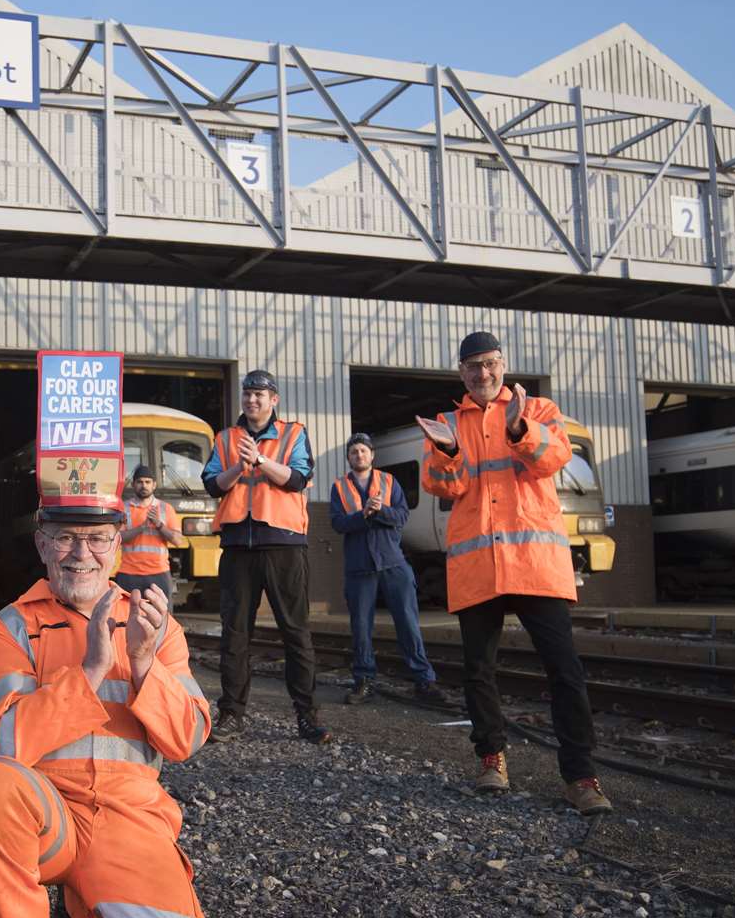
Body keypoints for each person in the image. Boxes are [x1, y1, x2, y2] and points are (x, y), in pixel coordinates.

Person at [0, 503, 212, 918]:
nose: (81, 553)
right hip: (47, 817)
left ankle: (81, 905)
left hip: (129, 819)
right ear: (43, 545)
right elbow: (10, 738)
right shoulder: (13, 627)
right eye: (66, 538)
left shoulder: (159, 628)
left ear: (117, 548)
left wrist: (141, 663)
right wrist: (90, 669)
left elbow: (188, 738)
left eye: (97, 540)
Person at [416, 331, 613, 815]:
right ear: (461, 373)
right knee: (479, 671)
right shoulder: (445, 423)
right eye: (472, 367)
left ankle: (580, 777)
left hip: (534, 565)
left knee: (565, 670)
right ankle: (491, 760)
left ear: (502, 364)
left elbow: (554, 459)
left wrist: (521, 428)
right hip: (479, 565)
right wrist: (448, 452)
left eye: (489, 364)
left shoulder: (539, 409)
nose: (482, 374)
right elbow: (444, 486)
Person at [202, 369, 330, 744]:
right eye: (247, 394)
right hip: (239, 545)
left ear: (274, 400)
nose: (252, 400)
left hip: (284, 543)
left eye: (260, 394)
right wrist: (237, 467)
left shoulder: (293, 433)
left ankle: (307, 716)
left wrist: (259, 461)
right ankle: (231, 715)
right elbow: (212, 484)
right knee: (235, 633)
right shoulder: (226, 438)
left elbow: (298, 477)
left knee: (295, 631)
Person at [328, 433, 443, 705]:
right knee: (361, 627)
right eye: (354, 452)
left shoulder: (389, 482)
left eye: (363, 451)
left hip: (393, 562)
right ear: (348, 457)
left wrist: (380, 511)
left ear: (372, 455)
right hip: (360, 568)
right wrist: (363, 515)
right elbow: (338, 524)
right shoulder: (339, 488)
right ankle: (364, 682)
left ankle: (424, 682)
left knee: (408, 624)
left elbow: (402, 516)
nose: (359, 456)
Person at [116, 464, 183, 600]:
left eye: (147, 482)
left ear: (154, 485)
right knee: (124, 618)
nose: (144, 485)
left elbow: (177, 541)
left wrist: (158, 524)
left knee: (161, 618)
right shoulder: (124, 508)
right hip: (129, 573)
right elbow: (118, 538)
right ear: (133, 484)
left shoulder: (166, 508)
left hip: (159, 573)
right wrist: (142, 527)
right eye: (140, 482)